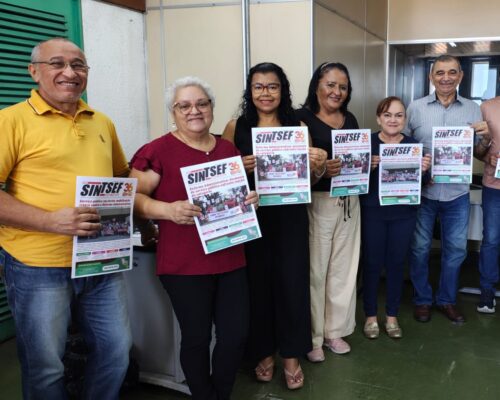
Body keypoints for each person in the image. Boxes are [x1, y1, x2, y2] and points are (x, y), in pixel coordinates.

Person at [0, 38, 131, 399]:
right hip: (37, 265)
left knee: (116, 351)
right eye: (57, 63)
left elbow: (122, 178)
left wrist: (151, 218)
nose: (70, 72)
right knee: (46, 367)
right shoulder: (10, 121)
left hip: (101, 260)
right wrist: (50, 221)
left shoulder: (101, 121)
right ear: (34, 71)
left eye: (79, 65)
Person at [129, 76, 258, 400]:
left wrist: (248, 200)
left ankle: (220, 393)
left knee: (235, 336)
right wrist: (167, 210)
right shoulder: (157, 151)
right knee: (197, 338)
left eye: (201, 103)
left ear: (211, 107)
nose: (194, 111)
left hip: (230, 258)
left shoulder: (226, 148)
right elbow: (132, 198)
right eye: (183, 106)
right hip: (183, 263)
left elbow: (232, 195)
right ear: (173, 112)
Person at [222, 62, 326, 390]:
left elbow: (309, 181)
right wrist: (238, 167)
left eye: (272, 86)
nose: (265, 93)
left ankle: (292, 355)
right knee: (257, 286)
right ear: (250, 91)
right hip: (251, 218)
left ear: (283, 91)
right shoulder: (235, 127)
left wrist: (318, 166)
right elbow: (221, 178)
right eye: (258, 86)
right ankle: (263, 352)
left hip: (290, 216)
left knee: (293, 284)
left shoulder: (298, 126)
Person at [405, 54, 489, 323]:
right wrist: (420, 168)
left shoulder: (473, 109)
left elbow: (478, 153)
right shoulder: (416, 107)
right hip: (424, 192)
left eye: (452, 72)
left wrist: (486, 139)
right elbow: (404, 147)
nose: (446, 78)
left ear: (460, 76)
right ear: (431, 77)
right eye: (440, 72)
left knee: (456, 250)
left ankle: (446, 300)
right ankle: (422, 300)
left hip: (457, 193)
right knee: (419, 248)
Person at [296, 62, 360, 362]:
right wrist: (322, 170)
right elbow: (296, 170)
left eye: (343, 87)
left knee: (343, 270)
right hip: (318, 203)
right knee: (316, 271)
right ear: (317, 86)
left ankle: (335, 331)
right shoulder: (299, 119)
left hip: (349, 201)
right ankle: (313, 336)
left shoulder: (351, 119)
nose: (337, 92)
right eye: (330, 84)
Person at [360, 96, 431, 339]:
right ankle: (370, 316)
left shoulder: (413, 145)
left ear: (405, 119)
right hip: (373, 212)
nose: (393, 120)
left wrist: (424, 170)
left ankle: (392, 316)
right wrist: (366, 167)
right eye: (387, 115)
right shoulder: (367, 144)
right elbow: (352, 180)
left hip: (404, 214)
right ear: (378, 118)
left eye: (398, 115)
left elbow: (421, 184)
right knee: (371, 264)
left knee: (397, 264)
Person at [475, 96, 499, 313]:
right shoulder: (486, 108)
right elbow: (476, 150)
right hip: (494, 187)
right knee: (491, 240)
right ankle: (487, 293)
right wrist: (487, 159)